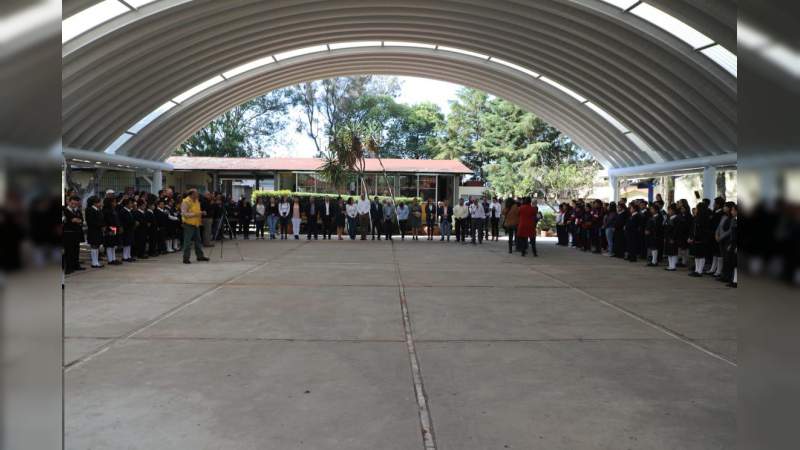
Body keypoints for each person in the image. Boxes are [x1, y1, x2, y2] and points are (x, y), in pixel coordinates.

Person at [180, 189, 209, 264]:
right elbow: (184, 214)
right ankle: (186, 258)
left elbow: (198, 211)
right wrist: (197, 214)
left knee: (198, 241)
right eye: (196, 193)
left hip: (196, 224)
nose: (198, 195)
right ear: (191, 194)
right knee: (187, 242)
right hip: (188, 224)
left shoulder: (197, 201)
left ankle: (200, 256)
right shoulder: (185, 201)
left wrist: (200, 215)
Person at [63, 195, 85, 273]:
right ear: (69, 202)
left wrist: (76, 220)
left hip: (76, 233)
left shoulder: (77, 211)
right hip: (68, 234)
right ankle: (68, 267)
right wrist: (74, 220)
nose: (74, 205)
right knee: (69, 251)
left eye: (76, 204)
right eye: (72, 203)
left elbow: (81, 220)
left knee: (76, 250)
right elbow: (69, 221)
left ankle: (76, 265)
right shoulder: (65, 210)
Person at [688, 202, 711, 277]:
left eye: (697, 208)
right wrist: (691, 237)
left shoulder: (705, 218)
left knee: (701, 255)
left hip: (701, 239)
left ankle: (700, 271)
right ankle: (696, 270)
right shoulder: (696, 217)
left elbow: (703, 230)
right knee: (696, 255)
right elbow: (692, 228)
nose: (696, 209)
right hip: (695, 239)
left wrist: (697, 237)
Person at [85, 196, 105, 268]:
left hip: (98, 230)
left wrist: (102, 225)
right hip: (93, 230)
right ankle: (94, 262)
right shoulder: (89, 210)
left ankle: (97, 262)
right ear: (94, 203)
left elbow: (101, 219)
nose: (100, 203)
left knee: (97, 245)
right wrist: (100, 225)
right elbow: (91, 221)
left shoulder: (98, 210)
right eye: (99, 202)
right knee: (94, 246)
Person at [102, 197, 122, 265]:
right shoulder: (106, 210)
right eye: (113, 202)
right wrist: (110, 229)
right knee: (109, 244)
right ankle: (110, 260)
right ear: (110, 203)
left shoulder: (113, 210)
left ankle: (114, 258)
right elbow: (107, 221)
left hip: (114, 228)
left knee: (113, 244)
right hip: (110, 228)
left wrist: (117, 227)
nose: (115, 203)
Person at [119, 197, 136, 262]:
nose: (131, 205)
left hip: (130, 229)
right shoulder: (123, 211)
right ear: (126, 204)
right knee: (126, 243)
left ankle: (128, 256)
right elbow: (124, 221)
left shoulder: (130, 211)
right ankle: (125, 256)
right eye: (130, 203)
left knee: (129, 243)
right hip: (126, 229)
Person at [663, 204, 679, 271]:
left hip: (673, 238)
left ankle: (673, 266)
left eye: (670, 210)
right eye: (668, 210)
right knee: (669, 252)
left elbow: (676, 230)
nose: (668, 212)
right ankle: (670, 265)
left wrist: (673, 238)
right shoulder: (668, 218)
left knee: (673, 252)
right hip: (668, 237)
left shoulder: (676, 219)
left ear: (674, 211)